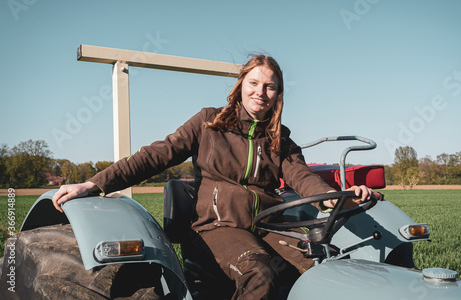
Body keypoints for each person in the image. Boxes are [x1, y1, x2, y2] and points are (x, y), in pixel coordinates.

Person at [52, 54, 373, 299]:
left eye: (269, 86)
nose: (260, 92)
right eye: (254, 83)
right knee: (258, 272)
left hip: (269, 226)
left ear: (278, 94)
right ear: (241, 85)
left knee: (322, 270)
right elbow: (155, 156)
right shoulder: (209, 124)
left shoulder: (280, 141)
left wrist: (334, 197)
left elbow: (304, 179)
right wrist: (96, 183)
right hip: (217, 227)